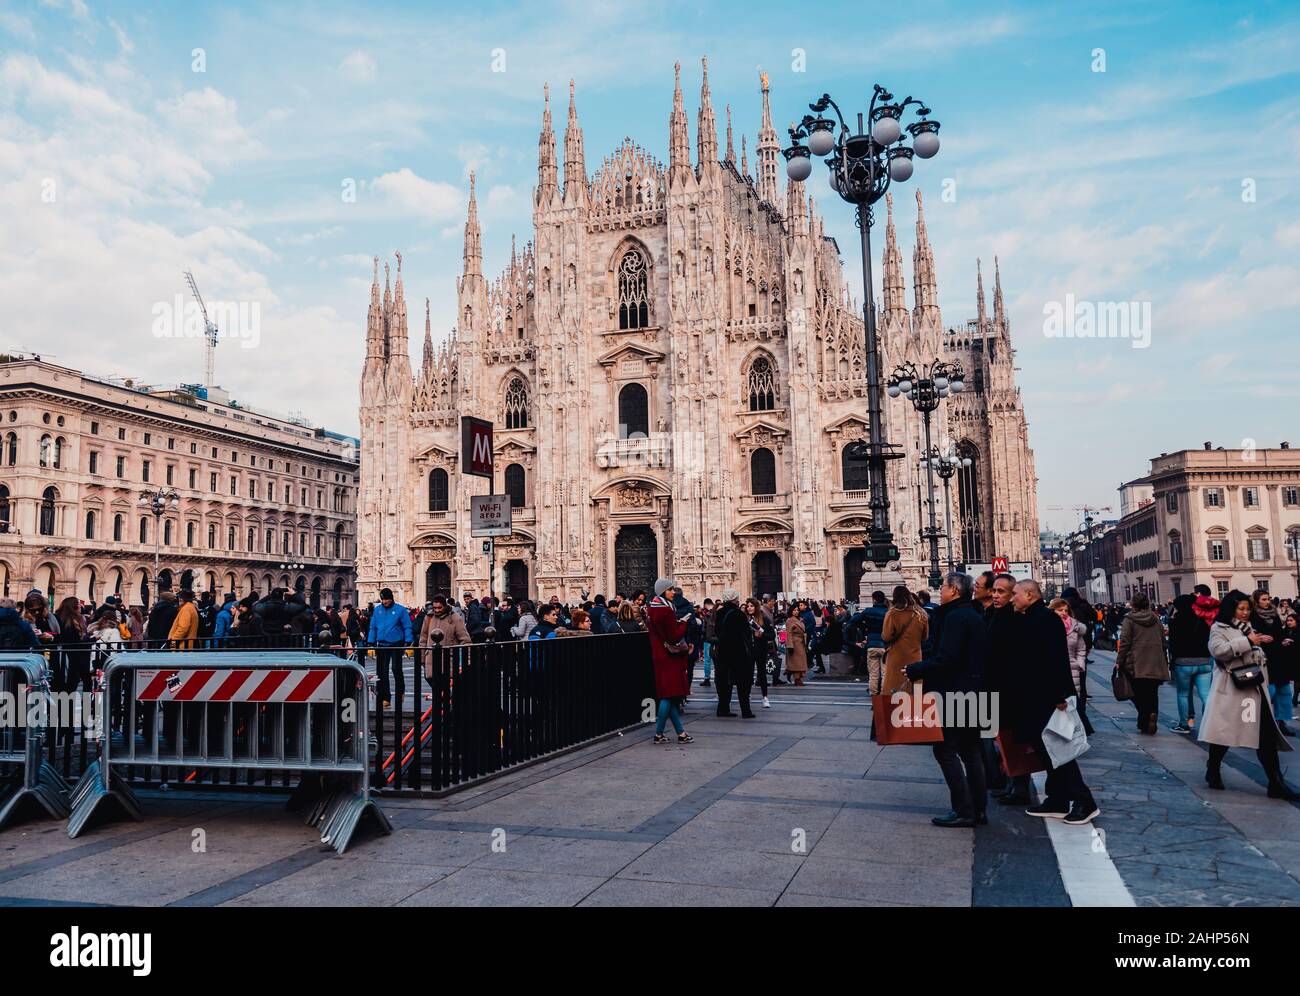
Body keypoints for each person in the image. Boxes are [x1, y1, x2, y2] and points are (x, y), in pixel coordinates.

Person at [1010, 580, 1100, 825]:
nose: (1012, 598)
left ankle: (1085, 801)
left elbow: (1055, 658)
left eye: (1016, 594)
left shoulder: (1045, 619)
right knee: (1046, 750)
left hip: (1047, 696)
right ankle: (1058, 799)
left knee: (1059, 750)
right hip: (1035, 695)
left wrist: (1060, 695)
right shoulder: (1031, 617)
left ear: (1029, 595)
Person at [905, 573, 989, 828]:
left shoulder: (954, 617)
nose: (939, 591)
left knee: (944, 750)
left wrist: (916, 669)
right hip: (976, 690)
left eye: (942, 587)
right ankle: (978, 809)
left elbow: (947, 658)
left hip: (955, 692)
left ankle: (964, 810)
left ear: (954, 590)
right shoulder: (975, 615)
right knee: (971, 751)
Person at [1202, 591, 1298, 799]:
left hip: (1253, 691)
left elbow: (1252, 651)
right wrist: (1248, 641)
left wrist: (1258, 643)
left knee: (1264, 736)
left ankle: (1276, 782)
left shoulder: (1248, 628)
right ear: (1231, 609)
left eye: (1247, 609)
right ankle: (1213, 768)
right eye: (1241, 609)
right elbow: (1218, 651)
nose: (1245, 613)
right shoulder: (1220, 628)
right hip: (1232, 690)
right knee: (1225, 734)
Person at [645, 578, 692, 744]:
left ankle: (681, 733)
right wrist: (684, 623)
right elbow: (673, 636)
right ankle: (658, 734)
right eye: (671, 589)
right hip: (668, 656)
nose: (674, 592)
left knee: (670, 696)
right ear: (663, 591)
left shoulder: (652, 608)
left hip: (659, 654)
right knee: (667, 696)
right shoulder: (666, 610)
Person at [1115, 592, 1169, 735]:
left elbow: (1125, 643)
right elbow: (1163, 641)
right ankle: (1152, 714)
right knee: (1152, 693)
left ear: (1133, 604)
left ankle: (1145, 717)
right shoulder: (1156, 619)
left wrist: (1119, 661)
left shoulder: (1130, 620)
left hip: (1136, 662)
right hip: (1155, 661)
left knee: (1136, 693)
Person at [1167, 591, 1213, 734]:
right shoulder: (1202, 620)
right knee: (1206, 695)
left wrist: (1172, 661)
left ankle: (1184, 724)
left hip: (1184, 662)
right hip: (1204, 661)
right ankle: (1210, 724)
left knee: (1183, 694)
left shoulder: (1175, 622)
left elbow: (1173, 644)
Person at [1251, 590, 1293, 736]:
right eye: (1263, 599)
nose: (1267, 602)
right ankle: (1266, 723)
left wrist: (1284, 639)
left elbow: (1279, 632)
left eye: (1268, 598)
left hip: (1279, 655)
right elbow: (1251, 634)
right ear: (1256, 601)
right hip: (1263, 657)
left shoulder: (1274, 613)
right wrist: (1260, 638)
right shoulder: (1253, 615)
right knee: (1270, 691)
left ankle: (1281, 722)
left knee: (1285, 691)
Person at [367, 588, 413, 709]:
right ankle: (385, 698)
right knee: (382, 672)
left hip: (396, 643)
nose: (384, 602)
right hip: (382, 644)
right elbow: (373, 627)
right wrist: (371, 643)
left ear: (391, 598)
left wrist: (408, 642)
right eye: (382, 599)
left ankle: (400, 691)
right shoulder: (377, 610)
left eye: (386, 599)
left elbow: (407, 626)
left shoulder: (400, 610)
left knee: (396, 668)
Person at [882, 586, 928, 698]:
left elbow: (886, 637)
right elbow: (925, 637)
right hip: (915, 657)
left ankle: (894, 712)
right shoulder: (921, 614)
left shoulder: (892, 613)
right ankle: (915, 712)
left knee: (893, 689)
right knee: (915, 689)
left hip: (896, 657)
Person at [784, 604, 808, 686]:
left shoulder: (800, 619)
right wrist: (790, 645)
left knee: (800, 662)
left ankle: (792, 674)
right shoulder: (790, 620)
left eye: (797, 610)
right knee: (796, 662)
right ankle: (797, 679)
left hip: (801, 643)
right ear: (791, 611)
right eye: (794, 610)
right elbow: (789, 633)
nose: (796, 612)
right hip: (794, 643)